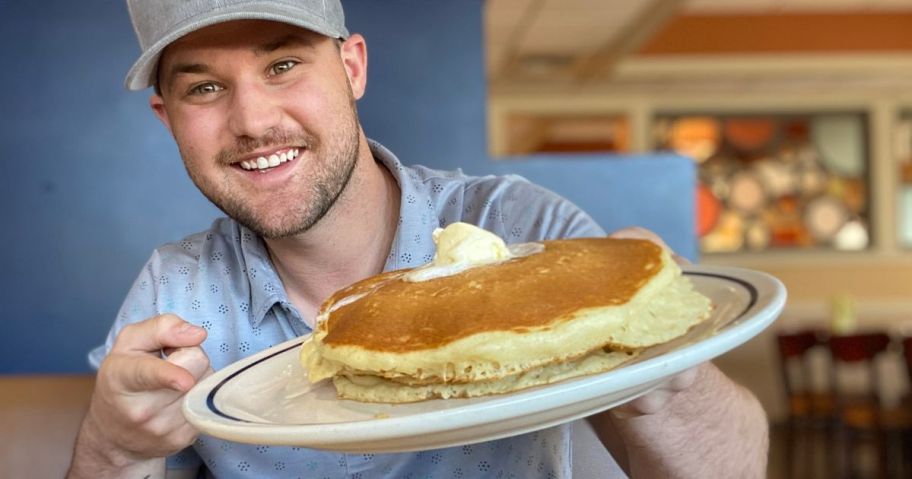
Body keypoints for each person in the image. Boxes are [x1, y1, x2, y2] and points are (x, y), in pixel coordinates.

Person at [67, 1, 768, 477]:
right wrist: (108, 447)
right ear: (167, 119)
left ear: (352, 68)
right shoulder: (173, 295)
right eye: (204, 89)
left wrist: (664, 372)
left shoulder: (531, 233)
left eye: (282, 65)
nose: (252, 120)